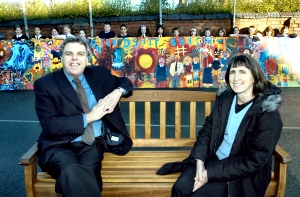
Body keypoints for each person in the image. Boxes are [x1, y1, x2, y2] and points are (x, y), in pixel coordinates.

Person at [171, 54, 282, 197]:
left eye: (243, 72)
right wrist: (200, 161)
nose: (236, 78)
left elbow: (255, 159)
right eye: (233, 72)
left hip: (241, 174)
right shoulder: (225, 99)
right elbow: (207, 131)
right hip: (213, 159)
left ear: (254, 77)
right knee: (180, 188)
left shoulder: (267, 113)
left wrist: (209, 173)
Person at [34, 36, 133, 197]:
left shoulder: (98, 74)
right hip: (59, 145)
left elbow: (125, 82)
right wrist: (90, 117)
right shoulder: (45, 85)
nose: (75, 58)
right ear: (61, 56)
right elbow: (50, 125)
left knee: (87, 170)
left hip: (92, 142)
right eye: (69, 54)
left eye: (80, 54)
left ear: (87, 58)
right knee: (71, 169)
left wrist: (117, 92)